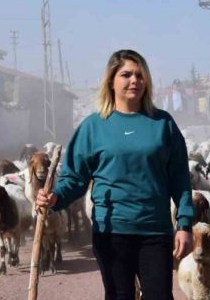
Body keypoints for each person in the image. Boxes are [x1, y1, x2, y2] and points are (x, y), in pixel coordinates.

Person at [36, 49, 194, 300]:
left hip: (155, 231)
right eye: (126, 75)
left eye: (140, 75)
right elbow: (75, 178)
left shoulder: (163, 124)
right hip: (111, 231)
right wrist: (55, 197)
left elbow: (180, 180)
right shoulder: (93, 126)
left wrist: (184, 224)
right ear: (111, 80)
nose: (135, 81)